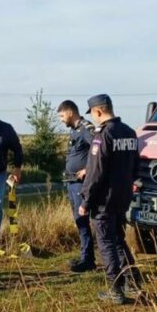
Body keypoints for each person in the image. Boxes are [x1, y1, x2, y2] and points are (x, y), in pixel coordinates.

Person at [79, 94, 141, 304]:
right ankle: (133, 284)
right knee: (118, 239)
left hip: (104, 199)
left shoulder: (103, 135)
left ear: (98, 111)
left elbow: (96, 172)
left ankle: (115, 289)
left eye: (93, 114)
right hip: (123, 196)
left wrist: (86, 200)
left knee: (106, 242)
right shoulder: (130, 132)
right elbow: (135, 167)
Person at [57, 99, 97, 273]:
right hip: (72, 182)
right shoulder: (74, 131)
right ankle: (86, 257)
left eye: (61, 115)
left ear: (70, 112)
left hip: (82, 184)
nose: (60, 119)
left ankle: (89, 259)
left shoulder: (85, 129)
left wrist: (88, 169)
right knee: (79, 221)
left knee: (85, 220)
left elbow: (100, 150)